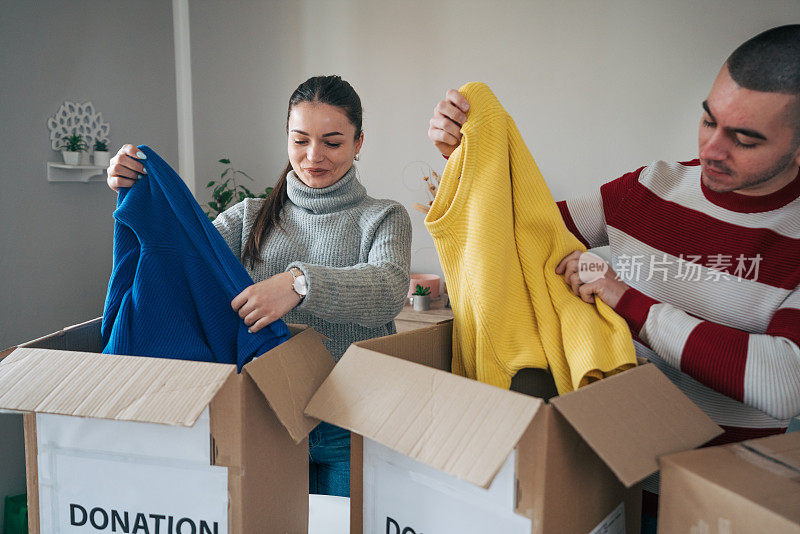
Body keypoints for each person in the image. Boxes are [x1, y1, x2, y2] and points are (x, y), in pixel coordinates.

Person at [428, 25, 800, 531]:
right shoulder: (653, 187)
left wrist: (626, 299)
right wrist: (471, 158)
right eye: (708, 121)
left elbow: (783, 379)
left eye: (744, 139)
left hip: (721, 506)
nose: (712, 149)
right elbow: (527, 227)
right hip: (605, 483)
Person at [107, 75, 413, 497]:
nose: (313, 156)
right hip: (271, 418)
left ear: (359, 142)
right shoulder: (249, 218)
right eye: (300, 140)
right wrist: (136, 192)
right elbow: (186, 260)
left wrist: (298, 284)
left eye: (333, 142)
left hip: (356, 422)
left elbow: (389, 288)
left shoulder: (383, 217)